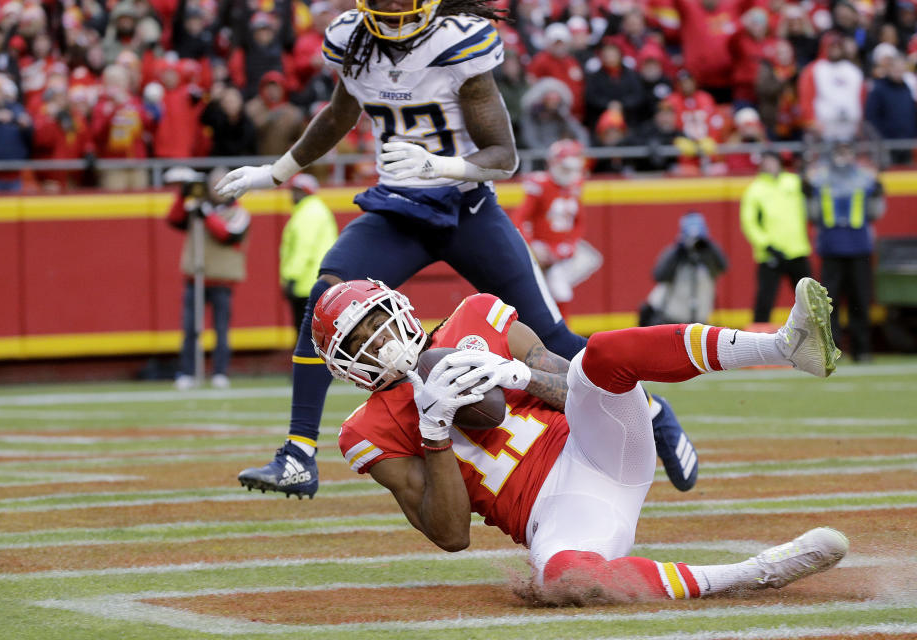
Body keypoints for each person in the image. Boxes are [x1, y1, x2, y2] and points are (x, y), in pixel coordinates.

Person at [217, 0, 696, 499]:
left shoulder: (459, 41)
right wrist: (275, 172)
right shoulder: (351, 39)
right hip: (397, 213)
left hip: (466, 209)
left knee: (551, 336)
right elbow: (340, 113)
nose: (394, 7)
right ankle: (298, 454)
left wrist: (438, 165)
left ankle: (650, 410)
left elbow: (503, 157)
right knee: (326, 299)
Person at [319, 277, 845, 604]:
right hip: (561, 515)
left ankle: (784, 344)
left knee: (603, 357)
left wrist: (513, 374)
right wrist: (433, 433)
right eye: (359, 341)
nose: (379, 343)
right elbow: (452, 534)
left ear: (398, 308)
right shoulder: (364, 431)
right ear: (344, 365)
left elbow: (570, 381)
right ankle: (754, 573)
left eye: (376, 324)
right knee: (560, 577)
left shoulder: (474, 317)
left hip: (595, 446)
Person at [166, 167, 251, 390]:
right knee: (191, 329)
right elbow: (174, 219)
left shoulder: (239, 212)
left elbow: (228, 235)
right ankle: (188, 372)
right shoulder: (197, 208)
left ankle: (220, 372)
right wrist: (184, 195)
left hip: (222, 280)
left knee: (221, 330)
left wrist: (207, 215)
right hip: (196, 277)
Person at [806, 142, 885, 362]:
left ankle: (862, 349)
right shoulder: (820, 179)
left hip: (859, 246)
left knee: (859, 299)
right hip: (831, 247)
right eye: (839, 153)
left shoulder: (864, 178)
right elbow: (812, 213)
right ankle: (833, 349)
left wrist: (878, 195)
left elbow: (875, 212)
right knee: (830, 303)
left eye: (847, 152)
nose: (843, 157)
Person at [513, 139, 602, 316]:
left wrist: (570, 244)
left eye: (573, 169)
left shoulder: (575, 187)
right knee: (556, 288)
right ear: (553, 164)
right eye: (565, 168)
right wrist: (532, 247)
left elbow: (579, 222)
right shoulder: (541, 185)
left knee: (590, 260)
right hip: (541, 246)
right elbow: (519, 219)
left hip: (561, 248)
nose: (570, 174)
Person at [740, 150, 813, 324]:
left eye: (772, 160)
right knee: (764, 301)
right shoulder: (755, 189)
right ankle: (757, 342)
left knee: (810, 302)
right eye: (765, 161)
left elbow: (812, 197)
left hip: (797, 250)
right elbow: (749, 223)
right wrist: (767, 245)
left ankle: (818, 341)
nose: (769, 165)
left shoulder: (793, 181)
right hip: (771, 254)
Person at [639, 212, 727, 326]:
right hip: (668, 319)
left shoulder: (708, 255)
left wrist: (707, 244)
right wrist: (679, 249)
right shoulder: (676, 254)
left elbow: (723, 266)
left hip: (697, 322)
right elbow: (658, 275)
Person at [280, 173, 338, 335]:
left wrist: (291, 278)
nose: (292, 195)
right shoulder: (314, 210)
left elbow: (303, 249)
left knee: (306, 335)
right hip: (314, 282)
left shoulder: (308, 212)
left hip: (306, 284)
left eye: (297, 191)